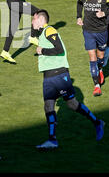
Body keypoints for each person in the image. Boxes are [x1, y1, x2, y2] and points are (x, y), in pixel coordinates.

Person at [32, 9, 104, 149]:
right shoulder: (43, 32)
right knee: (48, 106)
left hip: (59, 74)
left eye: (34, 19)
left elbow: (59, 50)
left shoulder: (50, 30)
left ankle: (97, 122)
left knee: (71, 104)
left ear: (41, 20)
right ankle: (52, 140)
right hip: (49, 75)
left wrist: (42, 51)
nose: (32, 22)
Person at [77, 0, 109, 96]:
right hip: (88, 31)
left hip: (101, 31)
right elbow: (79, 4)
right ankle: (96, 86)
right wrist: (79, 17)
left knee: (100, 57)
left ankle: (100, 69)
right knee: (92, 58)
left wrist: (104, 13)